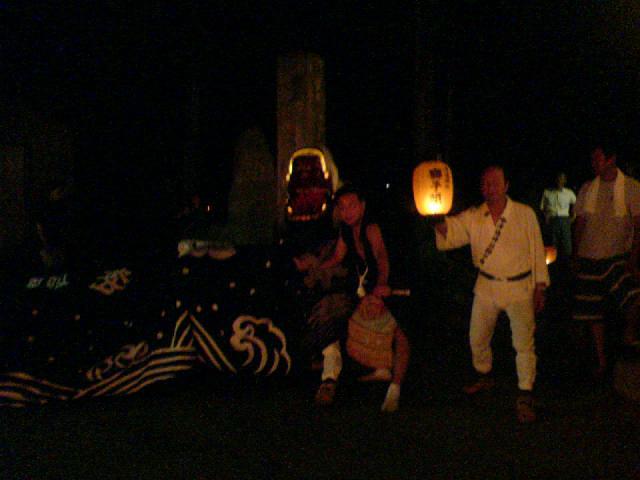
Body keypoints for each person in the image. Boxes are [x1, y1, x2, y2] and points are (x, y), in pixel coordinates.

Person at [434, 165, 549, 423]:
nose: (490, 188)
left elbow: (537, 251)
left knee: (523, 342)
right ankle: (484, 374)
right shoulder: (475, 215)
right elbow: (451, 232)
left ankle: (525, 391)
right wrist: (434, 215)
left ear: (506, 185)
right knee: (477, 336)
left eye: (495, 183)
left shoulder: (524, 214)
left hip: (519, 286)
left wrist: (540, 287)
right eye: (485, 184)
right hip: (487, 285)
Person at [295, 183, 409, 410]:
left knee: (400, 331)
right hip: (369, 286)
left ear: (363, 206)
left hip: (394, 281)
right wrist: (314, 268)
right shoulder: (346, 230)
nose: (347, 212)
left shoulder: (371, 228)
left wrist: (382, 284)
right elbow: (337, 257)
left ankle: (395, 388)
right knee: (347, 316)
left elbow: (382, 256)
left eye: (352, 206)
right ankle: (378, 368)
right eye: (342, 207)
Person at [572, 145, 640, 380]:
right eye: (592, 158)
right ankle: (600, 361)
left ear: (611, 159)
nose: (594, 163)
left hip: (616, 257)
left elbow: (638, 226)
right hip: (589, 257)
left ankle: (628, 337)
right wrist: (575, 254)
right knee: (592, 312)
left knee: (633, 299)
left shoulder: (631, 187)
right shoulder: (587, 188)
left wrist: (634, 257)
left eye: (598, 158)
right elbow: (580, 224)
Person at [540, 172, 576, 259]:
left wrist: (573, 216)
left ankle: (567, 262)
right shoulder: (547, 192)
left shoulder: (569, 193)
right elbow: (542, 207)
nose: (560, 181)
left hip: (565, 219)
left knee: (566, 244)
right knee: (553, 244)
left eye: (562, 179)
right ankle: (554, 263)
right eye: (558, 179)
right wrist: (546, 217)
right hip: (552, 219)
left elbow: (576, 204)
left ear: (565, 181)